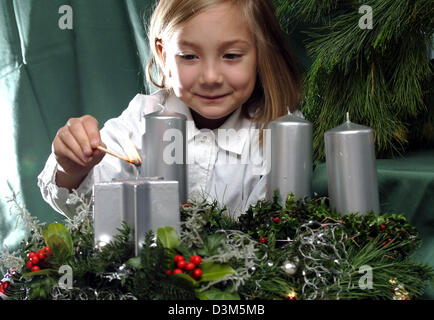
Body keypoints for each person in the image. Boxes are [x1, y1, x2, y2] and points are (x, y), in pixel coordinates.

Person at [38, 0, 302, 219]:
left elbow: (278, 232)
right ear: (163, 56)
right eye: (189, 56)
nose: (210, 77)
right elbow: (88, 203)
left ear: (260, 53)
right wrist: (71, 169)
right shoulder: (143, 117)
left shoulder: (279, 134)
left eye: (231, 55)